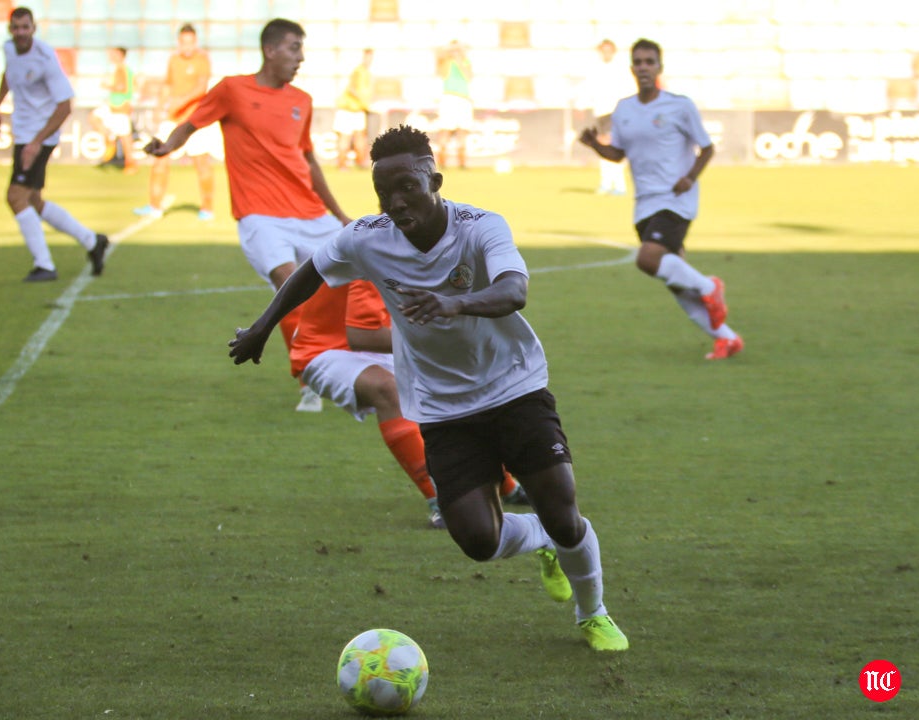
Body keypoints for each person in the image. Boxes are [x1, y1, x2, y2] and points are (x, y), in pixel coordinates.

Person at [229, 125, 629, 652]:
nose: (396, 202)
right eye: (384, 192)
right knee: (478, 541)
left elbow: (515, 289)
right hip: (442, 406)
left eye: (408, 188)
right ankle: (539, 541)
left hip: (513, 385)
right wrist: (262, 326)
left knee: (562, 508)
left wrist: (455, 302)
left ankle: (592, 613)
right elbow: (312, 271)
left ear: (434, 179)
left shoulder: (480, 226)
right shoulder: (368, 236)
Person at [146, 18, 352, 413]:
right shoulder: (233, 90)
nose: (300, 57)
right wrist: (166, 147)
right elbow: (190, 124)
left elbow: (307, 160)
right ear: (270, 50)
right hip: (260, 216)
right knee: (289, 283)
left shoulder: (302, 101)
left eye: (301, 49)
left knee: (360, 276)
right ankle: (308, 373)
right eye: (294, 48)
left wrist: (338, 213)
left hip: (309, 213)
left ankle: (370, 361)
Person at [289, 278, 531, 529]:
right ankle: (441, 502)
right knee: (387, 390)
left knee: (455, 387)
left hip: (388, 341)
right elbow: (362, 335)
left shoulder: (432, 250)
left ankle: (505, 485)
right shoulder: (375, 249)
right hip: (326, 347)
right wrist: (442, 342)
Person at [580, 38, 742, 360]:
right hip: (644, 202)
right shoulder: (624, 109)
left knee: (648, 259)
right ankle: (726, 338)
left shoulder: (679, 105)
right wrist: (594, 145)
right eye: (638, 62)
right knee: (677, 281)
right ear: (631, 69)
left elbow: (707, 147)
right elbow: (618, 154)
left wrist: (689, 177)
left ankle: (711, 288)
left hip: (675, 198)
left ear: (659, 68)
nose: (643, 67)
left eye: (649, 62)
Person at [0, 7, 109, 282]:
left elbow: (65, 106)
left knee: (15, 197)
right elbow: (8, 75)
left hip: (40, 134)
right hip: (24, 133)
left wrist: (36, 142)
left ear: (34, 28)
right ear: (10, 30)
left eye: (25, 27)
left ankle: (44, 265)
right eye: (16, 27)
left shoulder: (45, 58)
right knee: (33, 200)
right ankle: (92, 242)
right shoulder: (9, 49)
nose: (20, 32)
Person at [134, 23, 214, 220]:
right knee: (160, 160)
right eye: (183, 42)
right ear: (179, 42)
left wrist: (180, 101)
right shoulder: (173, 60)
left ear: (195, 42)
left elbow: (201, 87)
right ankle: (155, 206)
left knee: (201, 163)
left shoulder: (202, 60)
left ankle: (207, 208)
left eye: (190, 42)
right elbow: (167, 86)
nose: (187, 46)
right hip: (172, 119)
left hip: (195, 120)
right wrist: (159, 107)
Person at [576, 39, 635, 195]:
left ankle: (618, 185)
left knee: (612, 148)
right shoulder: (595, 69)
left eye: (609, 50)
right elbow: (587, 88)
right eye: (604, 50)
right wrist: (581, 105)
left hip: (616, 112)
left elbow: (631, 90)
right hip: (600, 112)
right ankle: (607, 183)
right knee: (603, 148)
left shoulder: (621, 70)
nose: (606, 53)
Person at [89, 46, 137, 174]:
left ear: (121, 55)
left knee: (125, 136)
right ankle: (109, 138)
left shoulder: (122, 70)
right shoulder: (120, 69)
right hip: (113, 105)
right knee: (94, 117)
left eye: (114, 54)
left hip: (120, 106)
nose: (111, 56)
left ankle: (131, 163)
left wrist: (108, 86)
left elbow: (123, 87)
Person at [332, 48, 374, 170]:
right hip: (347, 109)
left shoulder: (366, 73)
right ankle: (342, 165)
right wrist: (363, 100)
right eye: (368, 57)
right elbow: (352, 89)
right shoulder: (358, 71)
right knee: (345, 138)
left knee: (360, 137)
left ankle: (360, 162)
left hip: (358, 110)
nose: (369, 60)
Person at [434, 40, 473, 169]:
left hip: (463, 99)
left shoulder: (465, 62)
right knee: (445, 131)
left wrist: (459, 58)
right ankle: (442, 164)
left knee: (463, 132)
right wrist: (450, 50)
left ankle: (462, 164)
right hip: (449, 98)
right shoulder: (446, 62)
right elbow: (438, 54)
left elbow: (468, 76)